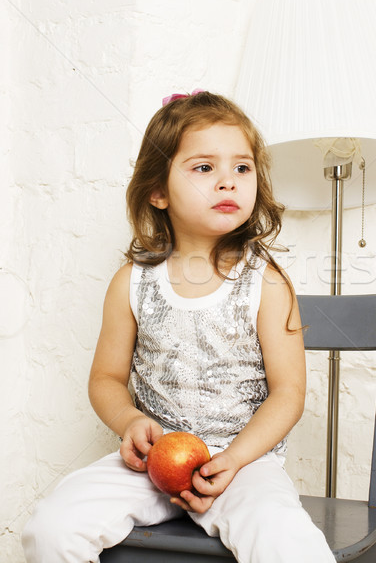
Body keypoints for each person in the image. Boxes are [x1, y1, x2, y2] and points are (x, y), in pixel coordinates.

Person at [22, 90, 336, 563]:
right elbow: (106, 378)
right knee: (50, 530)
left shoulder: (266, 283)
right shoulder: (131, 283)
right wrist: (130, 422)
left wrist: (233, 460)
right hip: (153, 464)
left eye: (242, 168)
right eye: (204, 168)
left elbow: (288, 393)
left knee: (289, 547)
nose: (228, 182)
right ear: (159, 191)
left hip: (243, 465)